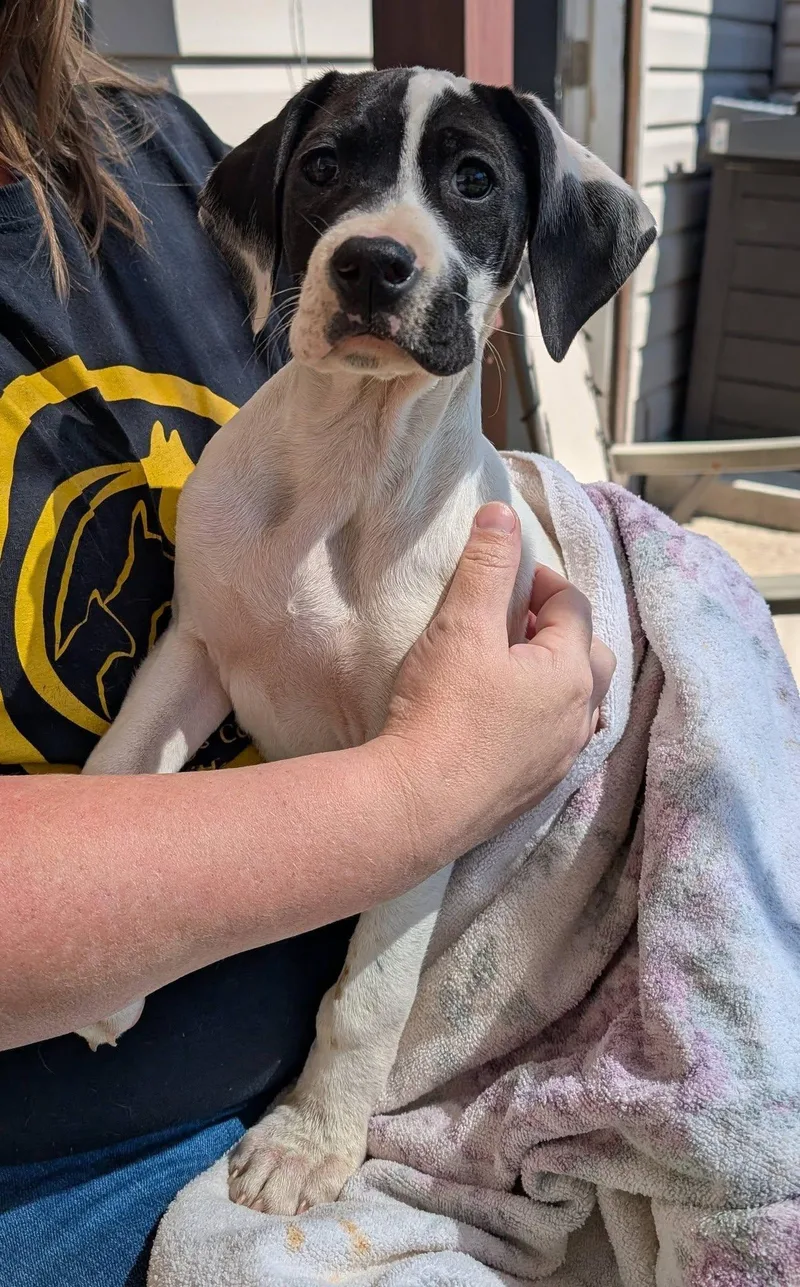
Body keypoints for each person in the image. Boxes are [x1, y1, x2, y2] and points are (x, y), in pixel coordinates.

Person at [0, 4, 614, 1284]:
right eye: (330, 173)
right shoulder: (234, 487)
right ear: (271, 222)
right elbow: (208, 652)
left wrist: (337, 1095)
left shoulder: (470, 538)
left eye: (468, 186)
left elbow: (485, 788)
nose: (381, 236)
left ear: (537, 255)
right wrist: (112, 925)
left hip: (407, 1008)